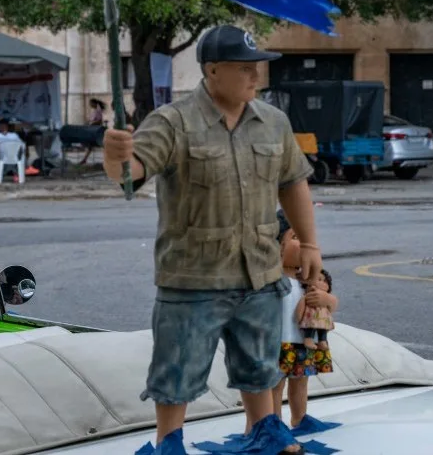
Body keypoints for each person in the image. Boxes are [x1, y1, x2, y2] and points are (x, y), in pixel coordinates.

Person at [101, 24, 323, 454]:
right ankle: (169, 441)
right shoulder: (174, 121)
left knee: (260, 360)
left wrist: (310, 244)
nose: (255, 77)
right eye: (245, 69)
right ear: (213, 70)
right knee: (177, 366)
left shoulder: (273, 123)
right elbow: (132, 175)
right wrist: (116, 159)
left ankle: (265, 429)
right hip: (193, 274)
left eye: (257, 68)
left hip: (257, 269)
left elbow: (294, 183)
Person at [269, 210, 336, 433]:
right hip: (277, 342)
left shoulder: (310, 280)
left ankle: (300, 418)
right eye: (296, 238)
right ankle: (274, 422)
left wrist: (327, 299)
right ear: (277, 244)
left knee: (301, 382)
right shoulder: (272, 281)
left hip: (304, 341)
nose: (307, 245)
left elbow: (330, 305)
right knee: (275, 385)